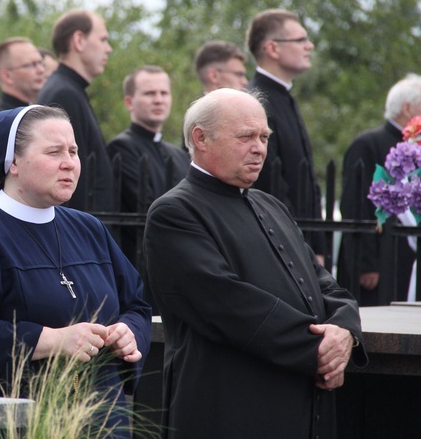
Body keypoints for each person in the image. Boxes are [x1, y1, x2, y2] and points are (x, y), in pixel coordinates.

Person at [145, 88, 367, 438]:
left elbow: (323, 283)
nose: (260, 147)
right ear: (201, 139)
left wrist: (345, 329)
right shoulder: (175, 212)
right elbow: (227, 304)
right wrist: (319, 351)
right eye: (246, 136)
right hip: (231, 408)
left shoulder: (270, 205)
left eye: (264, 137)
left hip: (300, 403)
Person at [0, 106, 151, 436]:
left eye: (73, 151)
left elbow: (137, 304)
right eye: (54, 152)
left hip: (104, 420)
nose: (69, 162)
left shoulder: (89, 229)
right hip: (27, 422)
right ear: (12, 162)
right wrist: (51, 340)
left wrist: (129, 332)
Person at [245, 9, 326, 262]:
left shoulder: (283, 97)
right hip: (279, 245)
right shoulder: (256, 101)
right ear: (273, 48)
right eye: (300, 40)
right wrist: (300, 244)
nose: (309, 46)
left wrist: (318, 244)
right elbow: (269, 183)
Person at [106, 66, 188, 303]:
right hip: (142, 266)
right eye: (150, 93)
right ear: (130, 102)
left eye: (164, 93)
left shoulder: (178, 153)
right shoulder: (121, 148)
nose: (159, 99)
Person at [338, 74, 421, 305]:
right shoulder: (368, 144)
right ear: (407, 108)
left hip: (405, 258)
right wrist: (366, 263)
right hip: (378, 263)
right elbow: (356, 205)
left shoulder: (414, 146)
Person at [36, 9, 114, 211]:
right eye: (103, 40)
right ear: (79, 40)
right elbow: (68, 178)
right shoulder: (64, 94)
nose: (109, 49)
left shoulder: (69, 89)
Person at [0, 37, 46, 155]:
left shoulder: (34, 112)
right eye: (31, 65)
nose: (41, 70)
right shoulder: (1, 119)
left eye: (40, 63)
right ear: (7, 76)